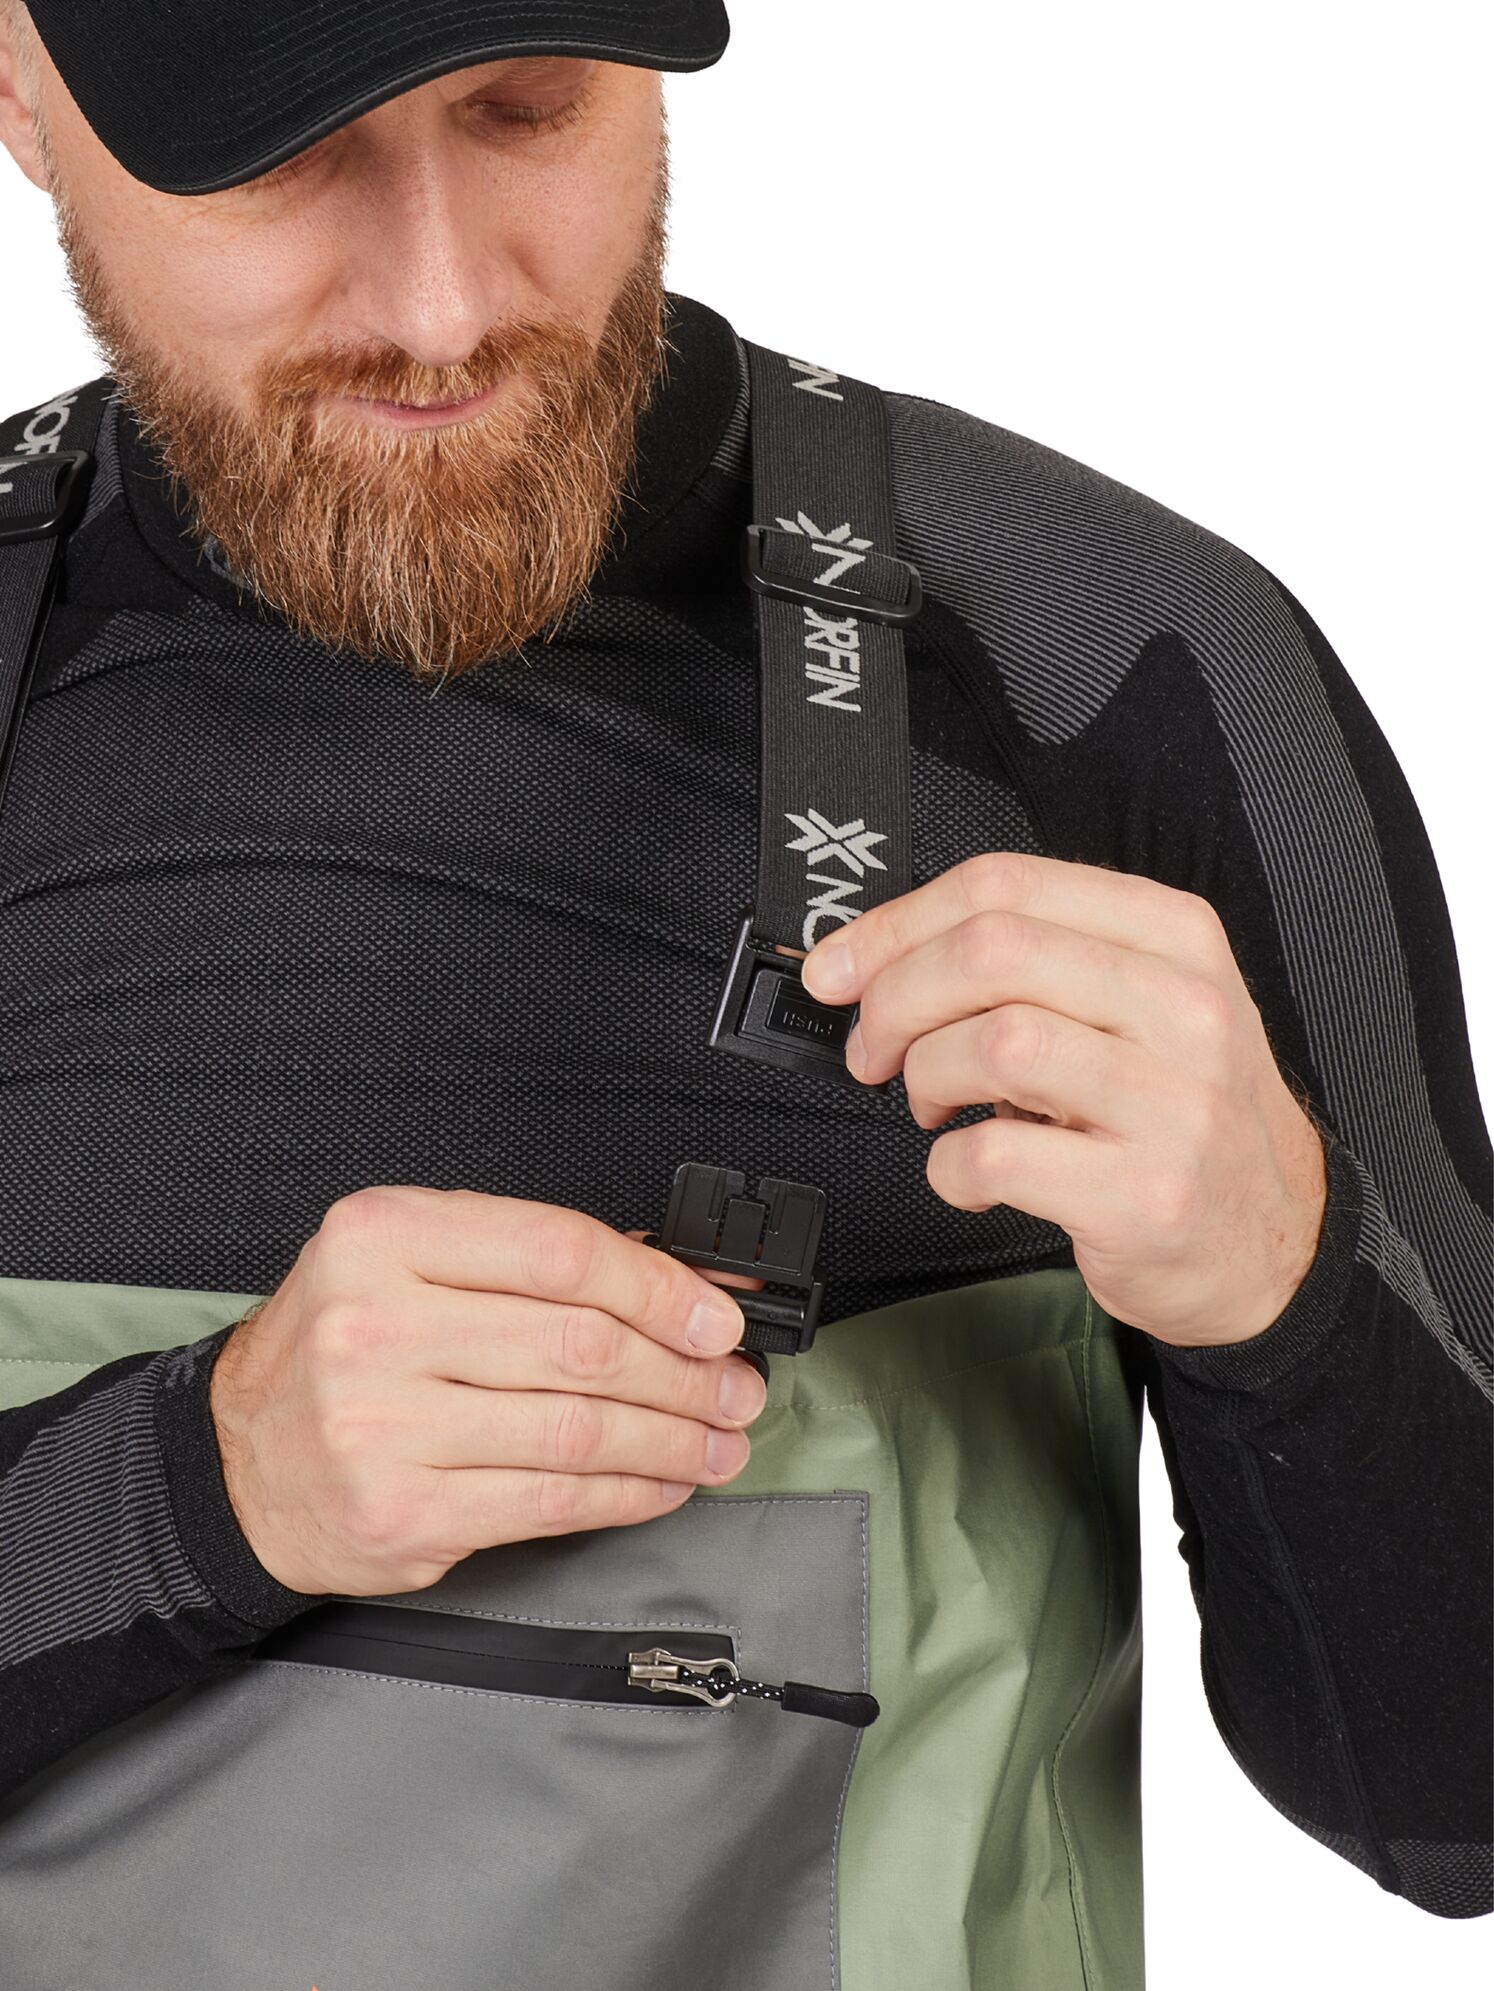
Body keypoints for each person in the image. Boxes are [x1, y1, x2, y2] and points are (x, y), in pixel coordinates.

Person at [0, 3, 1488, 1985]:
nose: (444, 310)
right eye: (283, 161)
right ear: (23, 93)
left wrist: (1289, 1288)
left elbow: (1459, 1821)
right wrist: (200, 1487)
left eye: (528, 108)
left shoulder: (1104, 662)